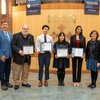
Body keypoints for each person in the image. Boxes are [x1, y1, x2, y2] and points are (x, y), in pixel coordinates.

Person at [12, 24, 35, 90]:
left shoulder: (31, 36)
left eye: (27, 29)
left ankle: (24, 82)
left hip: (27, 58)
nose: (25, 30)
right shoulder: (16, 36)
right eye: (24, 29)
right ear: (22, 29)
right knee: (17, 71)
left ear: (28, 29)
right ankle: (16, 83)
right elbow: (13, 45)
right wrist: (19, 51)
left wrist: (32, 52)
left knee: (26, 71)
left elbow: (33, 45)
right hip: (18, 57)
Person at [0, 20, 13, 90]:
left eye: (6, 25)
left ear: (8, 26)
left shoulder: (10, 34)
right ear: (1, 26)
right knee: (2, 70)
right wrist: (1, 55)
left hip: (9, 55)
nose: (5, 26)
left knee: (8, 70)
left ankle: (7, 82)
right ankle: (2, 83)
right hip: (2, 56)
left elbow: (12, 45)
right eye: (3, 25)